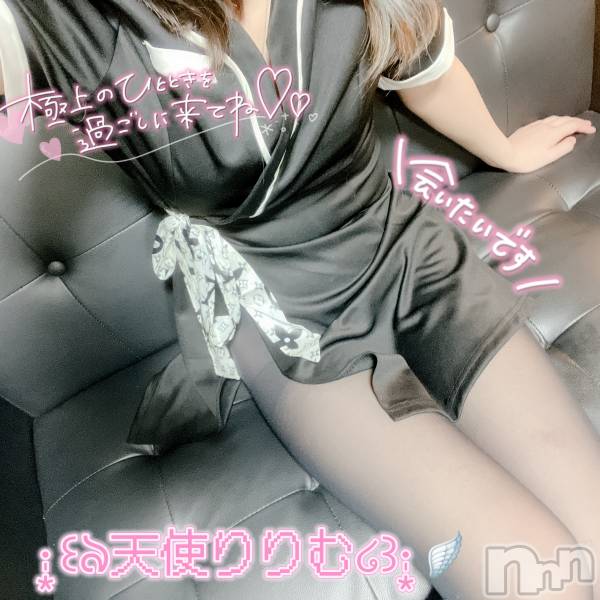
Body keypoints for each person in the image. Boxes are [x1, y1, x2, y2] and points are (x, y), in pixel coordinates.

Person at [1, 1, 599, 597]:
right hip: (282, 318)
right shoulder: (64, 16)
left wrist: (503, 150)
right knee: (540, 581)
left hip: (405, 251)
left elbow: (423, 67)